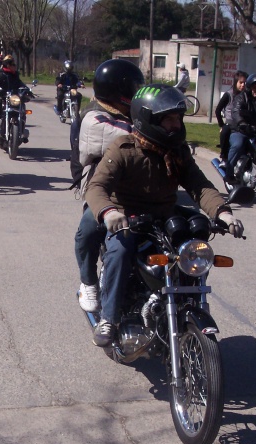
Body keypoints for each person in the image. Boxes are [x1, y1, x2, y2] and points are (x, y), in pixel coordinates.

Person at [84, 84, 244, 346]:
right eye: (168, 119)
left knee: (194, 244)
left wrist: (224, 213)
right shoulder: (124, 148)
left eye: (178, 118)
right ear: (148, 119)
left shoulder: (177, 153)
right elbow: (97, 186)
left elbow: (199, 186)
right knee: (120, 251)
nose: (175, 124)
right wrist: (109, 212)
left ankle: (186, 302)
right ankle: (109, 319)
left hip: (162, 214)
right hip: (128, 218)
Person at [70, 59, 144, 313]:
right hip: (103, 190)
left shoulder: (130, 113)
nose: (136, 92)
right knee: (88, 230)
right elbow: (122, 136)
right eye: (133, 87)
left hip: (139, 187)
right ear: (117, 90)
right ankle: (88, 282)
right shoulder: (93, 115)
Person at [0, 55, 33, 142]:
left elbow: (20, 83)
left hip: (13, 97)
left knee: (22, 107)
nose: (15, 66)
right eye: (13, 64)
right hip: (3, 96)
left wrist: (27, 90)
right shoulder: (1, 74)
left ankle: (22, 128)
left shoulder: (15, 75)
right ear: (8, 65)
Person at [214, 70, 247, 167]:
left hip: (244, 124)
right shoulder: (228, 94)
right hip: (230, 123)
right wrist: (221, 125)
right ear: (236, 82)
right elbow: (218, 110)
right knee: (225, 131)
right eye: (241, 82)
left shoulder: (247, 95)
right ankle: (224, 158)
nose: (243, 85)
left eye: (245, 83)